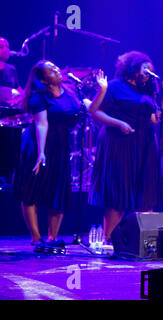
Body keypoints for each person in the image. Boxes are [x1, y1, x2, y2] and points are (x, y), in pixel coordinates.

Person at [13, 60, 107, 245]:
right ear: (43, 79)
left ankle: (52, 238)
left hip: (60, 147)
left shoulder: (71, 91)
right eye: (51, 70)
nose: (56, 70)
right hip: (37, 145)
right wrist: (41, 153)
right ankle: (36, 238)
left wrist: (102, 90)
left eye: (56, 67)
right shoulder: (39, 95)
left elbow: (92, 109)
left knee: (58, 193)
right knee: (30, 191)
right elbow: (42, 123)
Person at [89, 51, 163, 242]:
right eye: (145, 69)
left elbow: (155, 119)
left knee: (144, 192)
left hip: (144, 144)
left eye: (151, 70)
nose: (148, 73)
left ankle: (143, 240)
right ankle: (109, 238)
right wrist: (118, 123)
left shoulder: (148, 90)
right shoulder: (115, 86)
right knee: (118, 192)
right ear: (133, 68)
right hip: (119, 142)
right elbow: (95, 112)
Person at [0, 37, 23, 105]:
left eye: (7, 47)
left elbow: (19, 90)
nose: (5, 50)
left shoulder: (12, 69)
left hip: (10, 110)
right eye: (1, 47)